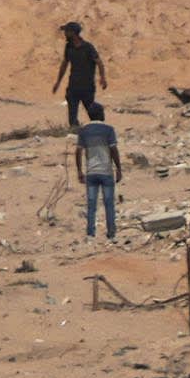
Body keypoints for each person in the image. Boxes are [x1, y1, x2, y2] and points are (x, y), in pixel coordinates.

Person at [74, 107, 122, 239]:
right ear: (101, 114)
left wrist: (79, 171)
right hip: (106, 171)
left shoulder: (83, 131)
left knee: (91, 204)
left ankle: (90, 233)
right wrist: (118, 168)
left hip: (91, 172)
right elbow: (114, 150)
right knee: (109, 204)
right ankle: (111, 233)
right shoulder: (108, 130)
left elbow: (78, 151)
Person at [52, 22, 106, 127]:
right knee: (72, 116)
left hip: (87, 87)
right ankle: (75, 133)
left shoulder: (88, 47)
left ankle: (98, 131)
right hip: (73, 86)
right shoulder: (69, 47)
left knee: (93, 113)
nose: (65, 34)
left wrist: (102, 78)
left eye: (67, 31)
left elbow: (99, 62)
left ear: (73, 33)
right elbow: (65, 63)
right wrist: (58, 82)